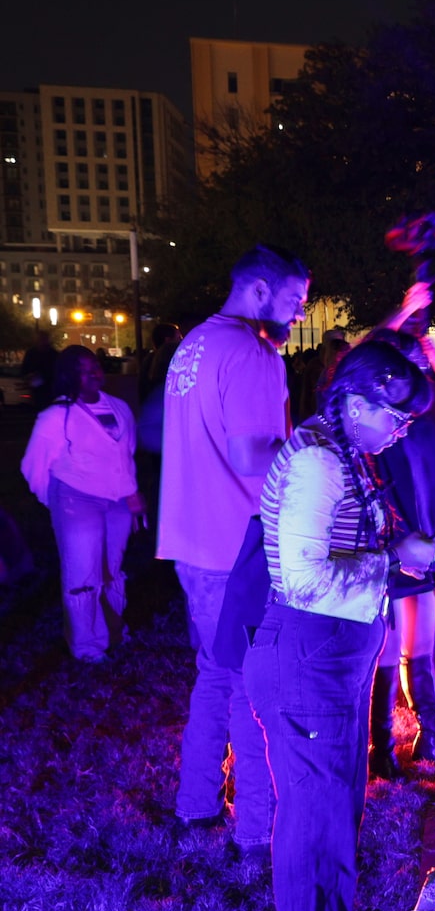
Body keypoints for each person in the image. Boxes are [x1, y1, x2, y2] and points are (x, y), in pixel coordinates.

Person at [244, 340, 435, 911]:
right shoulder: (317, 465)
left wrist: (396, 556)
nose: (403, 428)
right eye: (396, 416)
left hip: (332, 655)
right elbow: (303, 580)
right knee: (314, 820)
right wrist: (396, 560)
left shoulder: (344, 454)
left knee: (335, 812)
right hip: (309, 655)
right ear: (357, 404)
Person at [157, 244, 309, 854]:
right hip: (240, 546)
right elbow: (253, 455)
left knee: (213, 676)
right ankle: (258, 828)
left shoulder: (191, 344)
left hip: (191, 542)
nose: (299, 313)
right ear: (259, 291)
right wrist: (315, 453)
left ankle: (195, 803)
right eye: (295, 300)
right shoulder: (252, 352)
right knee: (254, 690)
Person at [363, 295, 435, 774]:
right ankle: (382, 748)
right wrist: (400, 311)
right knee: (388, 647)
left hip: (431, 522)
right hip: (391, 528)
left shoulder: (430, 391)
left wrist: (430, 354)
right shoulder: (374, 394)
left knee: (423, 645)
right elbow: (360, 355)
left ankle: (430, 738)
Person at [19, 346, 141, 661]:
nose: (94, 373)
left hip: (116, 502)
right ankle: (87, 645)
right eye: (84, 369)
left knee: (111, 570)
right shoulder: (56, 417)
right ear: (68, 375)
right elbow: (33, 466)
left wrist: (132, 495)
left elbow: (125, 458)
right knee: (82, 574)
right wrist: (58, 503)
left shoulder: (119, 408)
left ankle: (114, 631)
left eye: (96, 366)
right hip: (76, 500)